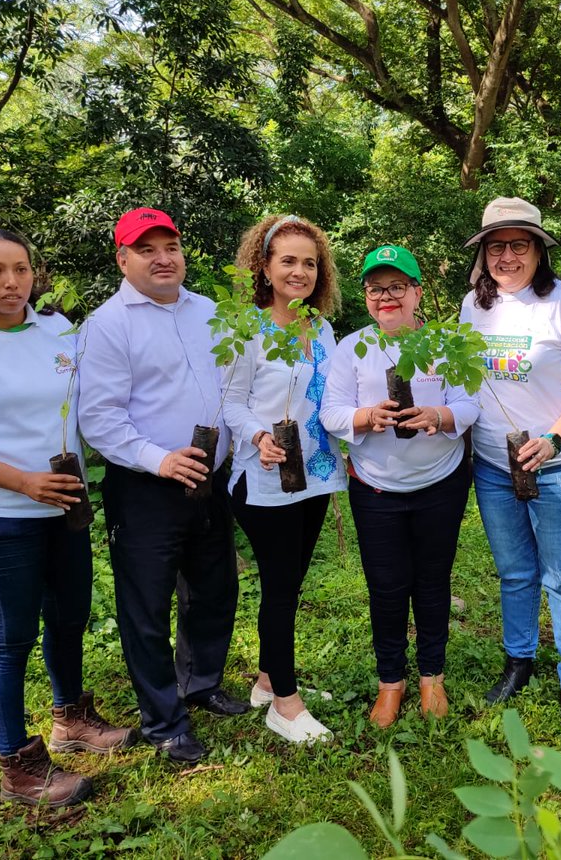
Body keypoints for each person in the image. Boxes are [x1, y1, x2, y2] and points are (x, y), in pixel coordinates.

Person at [0, 229, 134, 807]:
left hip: (65, 508)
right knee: (11, 638)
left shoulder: (56, 331)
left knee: (69, 618)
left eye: (21, 269)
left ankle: (71, 719)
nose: (11, 283)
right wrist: (24, 482)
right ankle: (18, 766)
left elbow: (92, 404)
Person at [78, 208, 249, 766]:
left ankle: (200, 684)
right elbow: (99, 418)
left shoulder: (211, 312)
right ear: (122, 258)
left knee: (214, 587)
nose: (162, 258)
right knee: (146, 605)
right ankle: (163, 720)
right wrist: (160, 460)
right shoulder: (108, 325)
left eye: (169, 245)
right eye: (146, 248)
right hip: (147, 485)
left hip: (212, 477)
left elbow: (236, 385)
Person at [458, 197, 561, 729]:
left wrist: (553, 440)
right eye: (496, 246)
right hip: (496, 466)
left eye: (519, 245)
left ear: (539, 250)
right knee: (515, 572)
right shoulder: (473, 306)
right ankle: (518, 661)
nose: (507, 256)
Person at [320, 245, 478, 727]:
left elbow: (470, 403)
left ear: (416, 292)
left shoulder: (445, 343)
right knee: (386, 588)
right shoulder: (353, 348)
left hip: (440, 484)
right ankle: (391, 682)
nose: (385, 297)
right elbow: (330, 411)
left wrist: (438, 414)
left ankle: (432, 676)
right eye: (375, 289)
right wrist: (366, 418)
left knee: (432, 582)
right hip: (377, 489)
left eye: (395, 287)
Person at [222, 215, 346, 744]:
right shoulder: (245, 329)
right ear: (264, 267)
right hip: (265, 478)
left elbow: (332, 398)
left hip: (313, 475)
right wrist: (255, 437)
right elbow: (230, 402)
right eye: (288, 261)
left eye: (310, 263)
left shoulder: (321, 329)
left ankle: (270, 679)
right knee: (278, 587)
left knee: (290, 584)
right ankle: (286, 707)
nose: (300, 271)